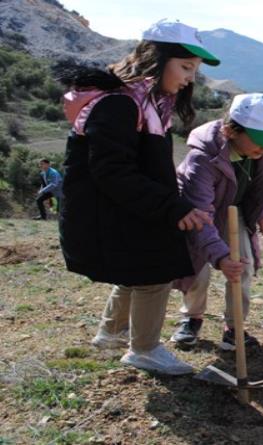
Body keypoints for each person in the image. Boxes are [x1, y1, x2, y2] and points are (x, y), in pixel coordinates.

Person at [58, 19, 219, 374]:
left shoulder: (145, 103)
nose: (190, 77)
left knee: (135, 271)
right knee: (153, 272)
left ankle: (112, 333)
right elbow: (112, 171)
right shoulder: (119, 105)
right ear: (157, 59)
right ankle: (144, 348)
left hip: (129, 208)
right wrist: (172, 206)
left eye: (194, 69)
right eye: (186, 67)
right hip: (110, 212)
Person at [170, 93, 263, 350]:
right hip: (200, 214)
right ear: (230, 131)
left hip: (238, 211)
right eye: (260, 141)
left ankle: (234, 327)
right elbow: (200, 217)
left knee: (241, 267)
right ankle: (191, 318)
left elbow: (262, 184)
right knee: (198, 267)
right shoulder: (202, 159)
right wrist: (220, 258)